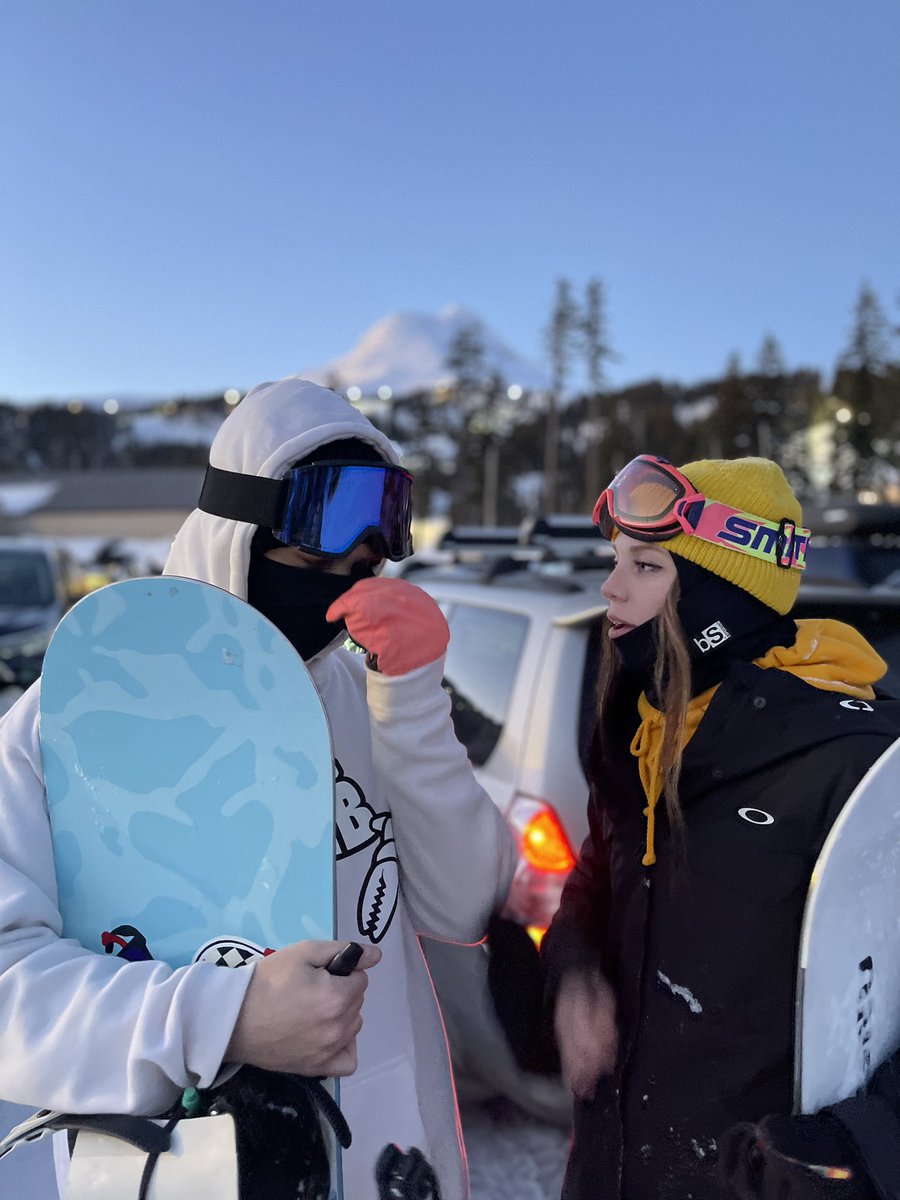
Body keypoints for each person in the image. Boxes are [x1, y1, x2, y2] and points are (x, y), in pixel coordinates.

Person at [0, 376, 516, 1199]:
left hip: (383, 1154)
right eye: (316, 562)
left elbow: (462, 907)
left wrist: (414, 706)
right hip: (172, 1163)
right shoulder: (74, 717)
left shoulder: (372, 697)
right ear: (235, 534)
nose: (344, 589)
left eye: (368, 565)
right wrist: (221, 1016)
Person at [541, 454, 900, 1200]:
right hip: (614, 1168)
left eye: (646, 566)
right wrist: (575, 971)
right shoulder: (642, 732)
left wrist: (857, 1142)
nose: (611, 586)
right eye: (617, 561)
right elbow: (596, 882)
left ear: (719, 592)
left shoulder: (851, 766)